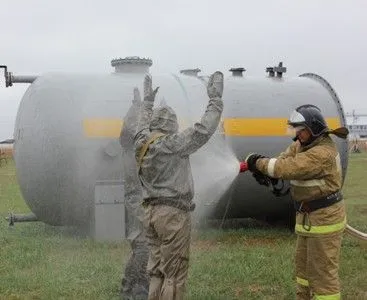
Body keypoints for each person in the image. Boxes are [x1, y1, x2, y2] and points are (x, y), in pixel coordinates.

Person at [134, 72, 224, 300]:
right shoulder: (172, 144)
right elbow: (202, 131)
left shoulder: (141, 143)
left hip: (149, 214)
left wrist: (147, 103)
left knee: (156, 272)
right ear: (172, 127)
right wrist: (215, 100)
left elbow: (140, 126)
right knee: (174, 273)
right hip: (172, 215)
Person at [245, 104, 348, 300]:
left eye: (301, 131)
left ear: (314, 129)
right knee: (303, 272)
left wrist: (257, 162)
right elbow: (283, 160)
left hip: (324, 220)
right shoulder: (303, 145)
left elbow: (289, 167)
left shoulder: (322, 153)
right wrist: (268, 171)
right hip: (307, 218)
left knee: (323, 275)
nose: (297, 136)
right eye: (296, 131)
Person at [119, 88, 149, 300]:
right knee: (142, 244)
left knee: (142, 244)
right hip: (137, 198)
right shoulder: (132, 148)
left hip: (139, 197)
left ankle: (132, 287)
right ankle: (134, 289)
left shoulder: (131, 145)